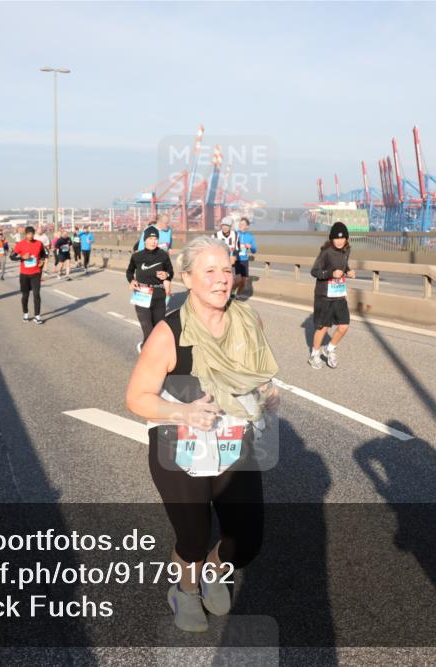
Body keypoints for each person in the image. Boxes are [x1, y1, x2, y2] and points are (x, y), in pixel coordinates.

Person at [125, 235, 279, 633]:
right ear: (188, 279)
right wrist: (184, 411)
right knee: (193, 537)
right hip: (180, 443)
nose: (221, 278)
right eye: (209, 271)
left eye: (226, 269)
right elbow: (137, 398)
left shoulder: (249, 321)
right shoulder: (168, 333)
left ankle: (213, 570)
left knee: (246, 541)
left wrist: (266, 391)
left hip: (234, 439)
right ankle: (186, 588)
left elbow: (257, 374)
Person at [308, 221, 356, 369]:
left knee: (344, 326)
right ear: (331, 239)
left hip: (339, 294)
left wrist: (348, 271)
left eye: (342, 238)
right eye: (336, 238)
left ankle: (329, 349)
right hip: (324, 296)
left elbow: (343, 265)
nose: (339, 241)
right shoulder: (326, 252)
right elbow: (314, 271)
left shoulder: (346, 251)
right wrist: (331, 273)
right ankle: (314, 355)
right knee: (323, 328)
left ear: (346, 239)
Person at [127, 225, 175, 354]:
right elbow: (129, 271)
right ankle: (149, 357)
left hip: (159, 295)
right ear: (145, 240)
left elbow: (171, 272)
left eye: (155, 239)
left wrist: (167, 275)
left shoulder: (163, 255)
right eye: (150, 239)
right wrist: (131, 280)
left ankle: (145, 346)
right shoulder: (137, 256)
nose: (153, 241)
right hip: (142, 293)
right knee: (148, 330)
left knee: (157, 330)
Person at [15, 225, 47, 324]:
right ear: (25, 234)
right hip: (24, 274)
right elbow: (12, 256)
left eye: (32, 234)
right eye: (29, 234)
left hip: (36, 273)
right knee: (25, 295)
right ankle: (25, 313)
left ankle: (37, 316)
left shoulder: (39, 243)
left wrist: (42, 260)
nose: (31, 236)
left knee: (36, 294)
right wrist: (22, 257)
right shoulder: (20, 244)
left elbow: (44, 254)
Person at [233, 217, 258, 298]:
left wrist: (251, 246)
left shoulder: (250, 237)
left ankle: (237, 296)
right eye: (240, 224)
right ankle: (230, 293)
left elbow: (254, 250)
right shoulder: (234, 234)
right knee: (237, 279)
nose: (240, 225)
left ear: (247, 226)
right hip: (235, 260)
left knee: (244, 281)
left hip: (244, 261)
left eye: (243, 224)